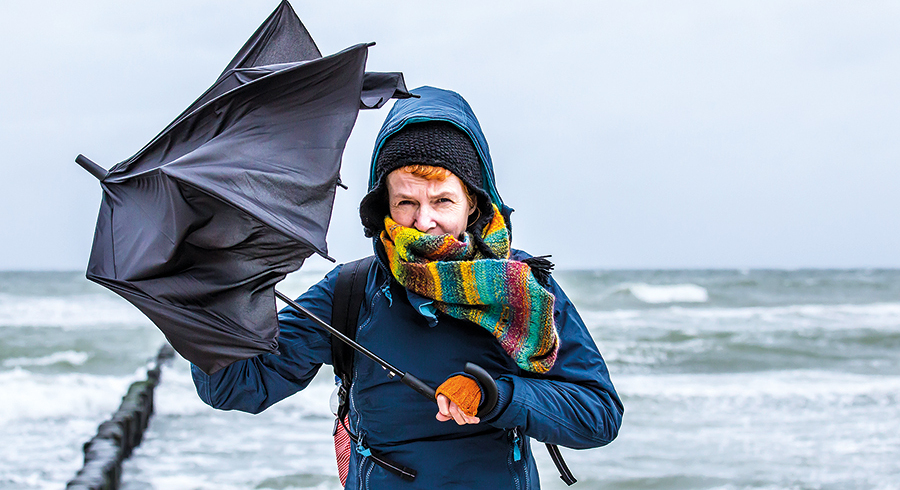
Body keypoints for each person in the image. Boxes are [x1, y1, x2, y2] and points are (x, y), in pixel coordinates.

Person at [191, 86, 623, 489]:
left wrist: (497, 395)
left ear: (472, 201)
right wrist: (215, 288)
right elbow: (237, 386)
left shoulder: (524, 287)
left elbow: (598, 415)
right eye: (406, 203)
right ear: (384, 206)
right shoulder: (350, 290)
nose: (424, 222)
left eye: (442, 201)